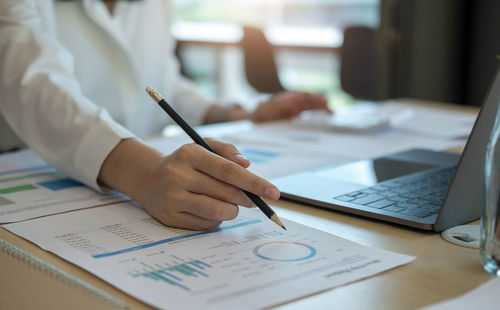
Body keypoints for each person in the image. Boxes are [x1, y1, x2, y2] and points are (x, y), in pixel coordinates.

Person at [0, 0, 330, 230]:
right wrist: (145, 173)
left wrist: (238, 113)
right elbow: (32, 84)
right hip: (29, 183)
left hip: (111, 194)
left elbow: (161, 81)